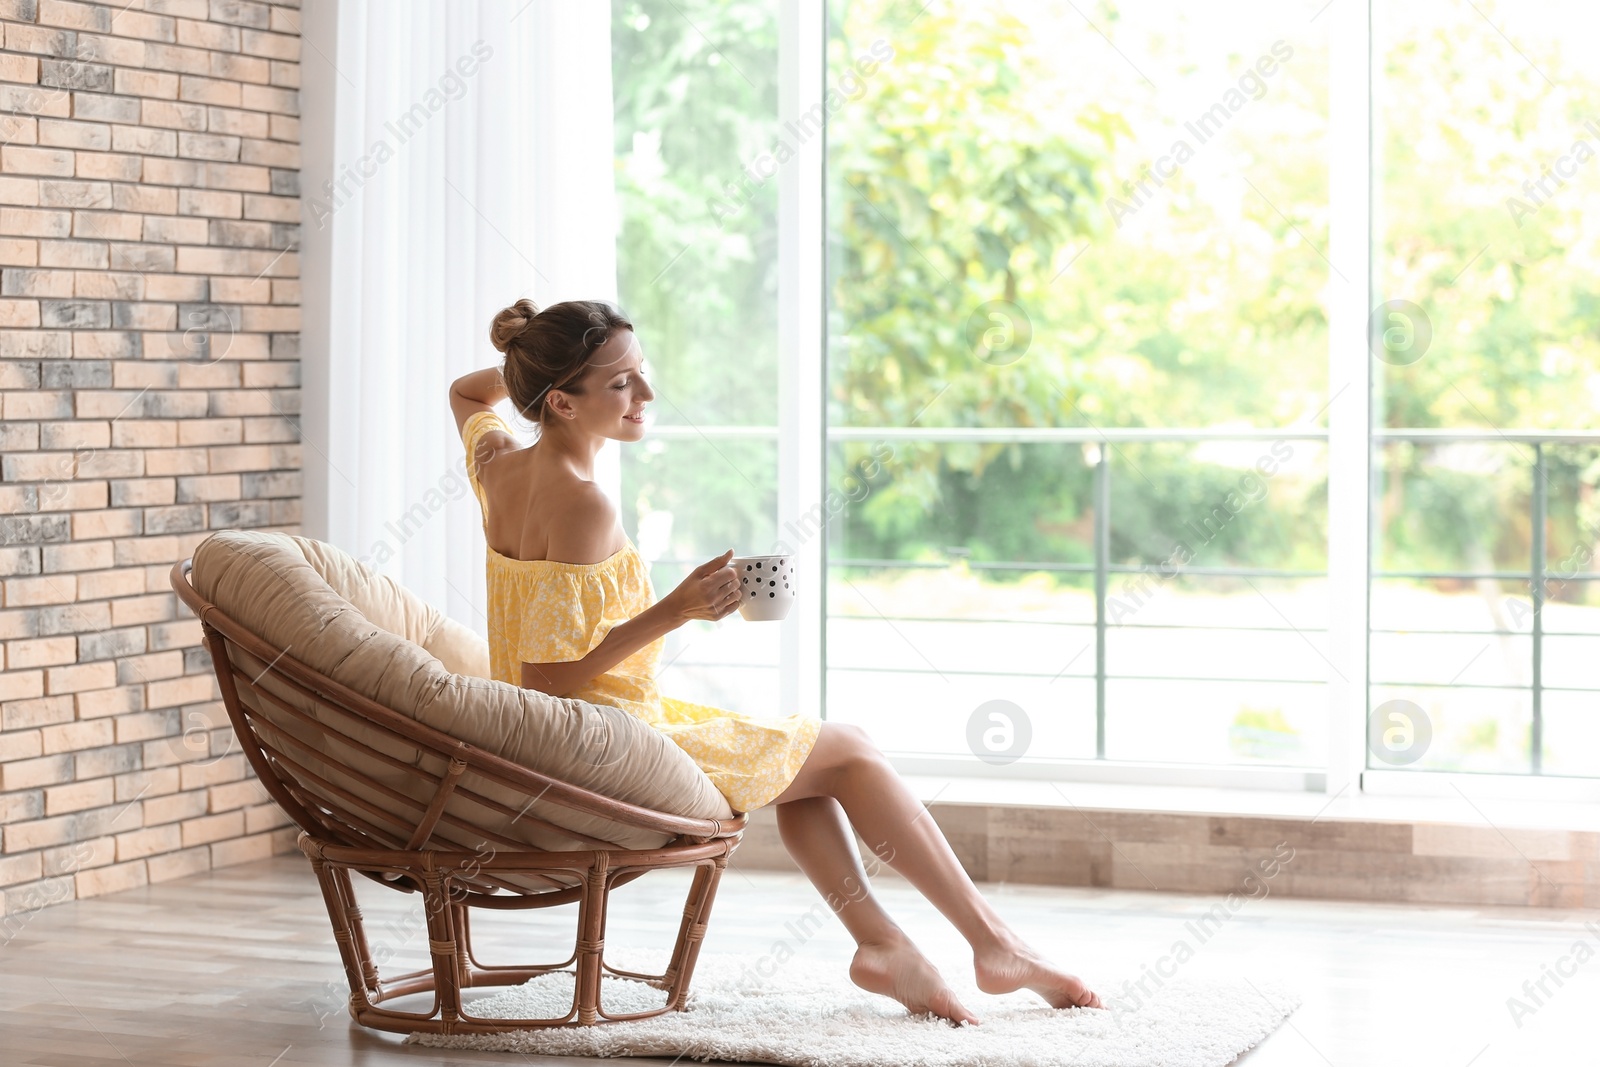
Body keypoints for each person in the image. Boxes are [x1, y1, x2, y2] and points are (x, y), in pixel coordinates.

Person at [449, 297, 1103, 1025]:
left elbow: (469, 393)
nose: (647, 395)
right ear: (565, 403)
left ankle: (883, 944)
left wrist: (535, 369)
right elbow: (547, 675)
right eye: (621, 384)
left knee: (808, 770)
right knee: (849, 749)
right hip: (594, 742)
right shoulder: (581, 504)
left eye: (643, 372)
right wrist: (677, 608)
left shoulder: (497, 465)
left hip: (578, 727)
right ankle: (994, 944)